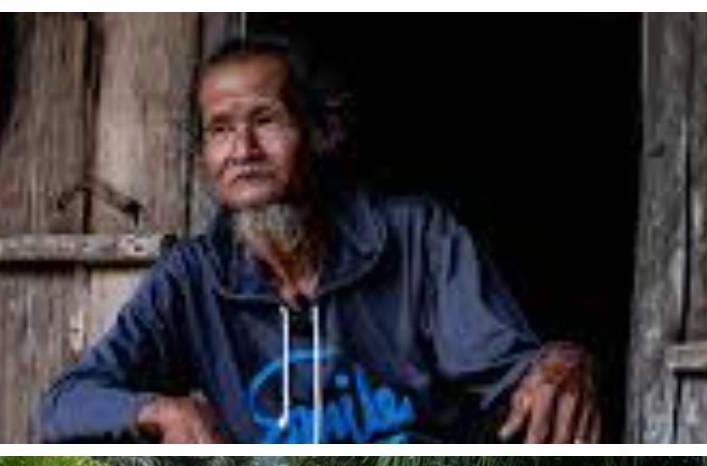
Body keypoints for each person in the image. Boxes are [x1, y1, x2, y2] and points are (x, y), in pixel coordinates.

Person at [37, 36, 601, 445]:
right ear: (205, 156)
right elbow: (63, 406)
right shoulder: (193, 278)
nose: (242, 150)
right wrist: (157, 409)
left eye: (266, 120)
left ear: (323, 131)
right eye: (220, 129)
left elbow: (515, 368)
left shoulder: (417, 240)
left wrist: (559, 362)